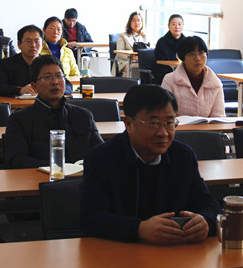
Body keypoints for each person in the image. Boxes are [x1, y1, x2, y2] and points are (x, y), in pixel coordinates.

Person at [81, 84, 221, 244]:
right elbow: (91, 219)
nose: (163, 133)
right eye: (153, 123)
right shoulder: (100, 159)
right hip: (121, 253)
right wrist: (139, 229)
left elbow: (209, 205)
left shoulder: (183, 156)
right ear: (128, 124)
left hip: (176, 252)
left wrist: (206, 222)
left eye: (169, 123)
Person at [4, 55, 102, 169]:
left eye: (59, 76)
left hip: (81, 177)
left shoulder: (83, 116)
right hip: (39, 178)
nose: (55, 82)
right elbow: (17, 161)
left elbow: (101, 153)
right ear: (34, 86)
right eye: (47, 77)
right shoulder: (19, 120)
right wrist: (59, 168)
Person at [0, 25, 76, 98]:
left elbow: (68, 87)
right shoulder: (8, 64)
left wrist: (47, 90)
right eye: (28, 41)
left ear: (42, 44)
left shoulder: (50, 63)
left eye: (37, 41)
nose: (33, 45)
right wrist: (20, 90)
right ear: (19, 44)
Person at [160, 36, 224, 118]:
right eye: (192, 54)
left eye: (201, 53)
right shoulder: (170, 80)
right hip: (179, 126)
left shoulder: (215, 83)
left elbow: (219, 116)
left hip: (207, 126)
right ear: (183, 58)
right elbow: (165, 114)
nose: (198, 58)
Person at [153, 13, 185, 84]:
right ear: (168, 26)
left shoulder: (187, 42)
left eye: (179, 24)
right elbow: (160, 61)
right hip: (164, 73)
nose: (177, 27)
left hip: (183, 72)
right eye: (174, 24)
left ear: (183, 26)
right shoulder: (162, 42)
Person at [115, 11, 148, 77]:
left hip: (140, 62)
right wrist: (133, 58)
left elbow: (147, 51)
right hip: (125, 62)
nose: (137, 23)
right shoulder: (123, 36)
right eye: (134, 20)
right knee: (136, 67)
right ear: (130, 22)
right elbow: (119, 53)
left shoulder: (143, 36)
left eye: (139, 20)